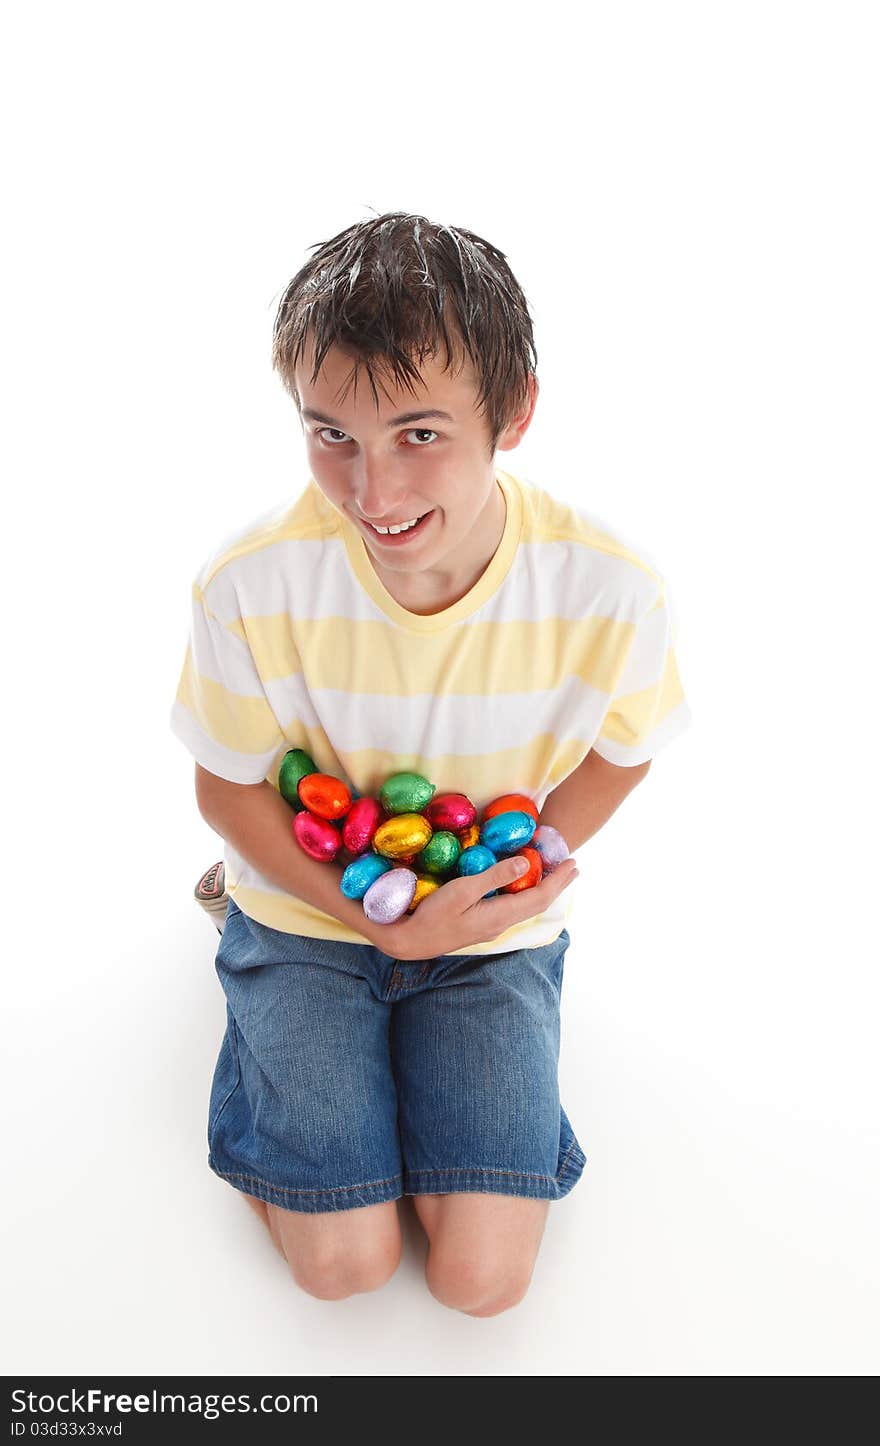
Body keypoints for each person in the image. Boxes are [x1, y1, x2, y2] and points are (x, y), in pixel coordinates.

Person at [170, 212, 692, 1316]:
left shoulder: (608, 586)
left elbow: (623, 751)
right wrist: (368, 917)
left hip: (481, 921)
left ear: (512, 413)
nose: (371, 494)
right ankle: (242, 933)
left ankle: (387, 1040)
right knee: (344, 1266)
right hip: (314, 908)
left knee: (479, 1282)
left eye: (417, 435)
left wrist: (523, 867)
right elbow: (226, 787)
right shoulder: (251, 582)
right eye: (331, 436)